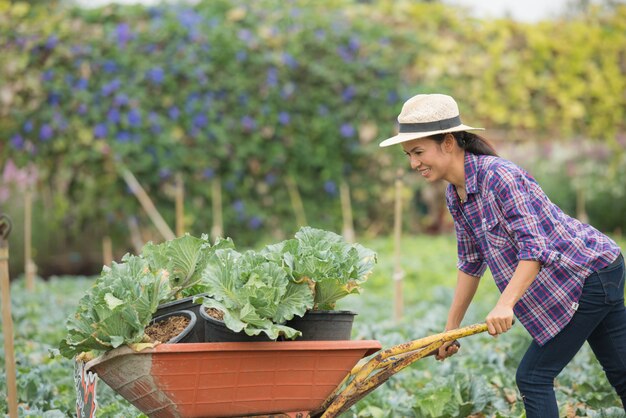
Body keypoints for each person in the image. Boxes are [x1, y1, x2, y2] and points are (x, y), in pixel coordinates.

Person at [379, 93, 626, 417]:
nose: (413, 163)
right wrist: (449, 330)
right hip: (589, 273)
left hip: (588, 273)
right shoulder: (456, 194)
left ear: (448, 142)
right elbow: (470, 263)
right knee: (621, 371)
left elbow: (534, 249)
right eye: (409, 154)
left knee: (533, 376)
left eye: (419, 151)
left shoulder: (500, 177)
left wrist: (504, 303)